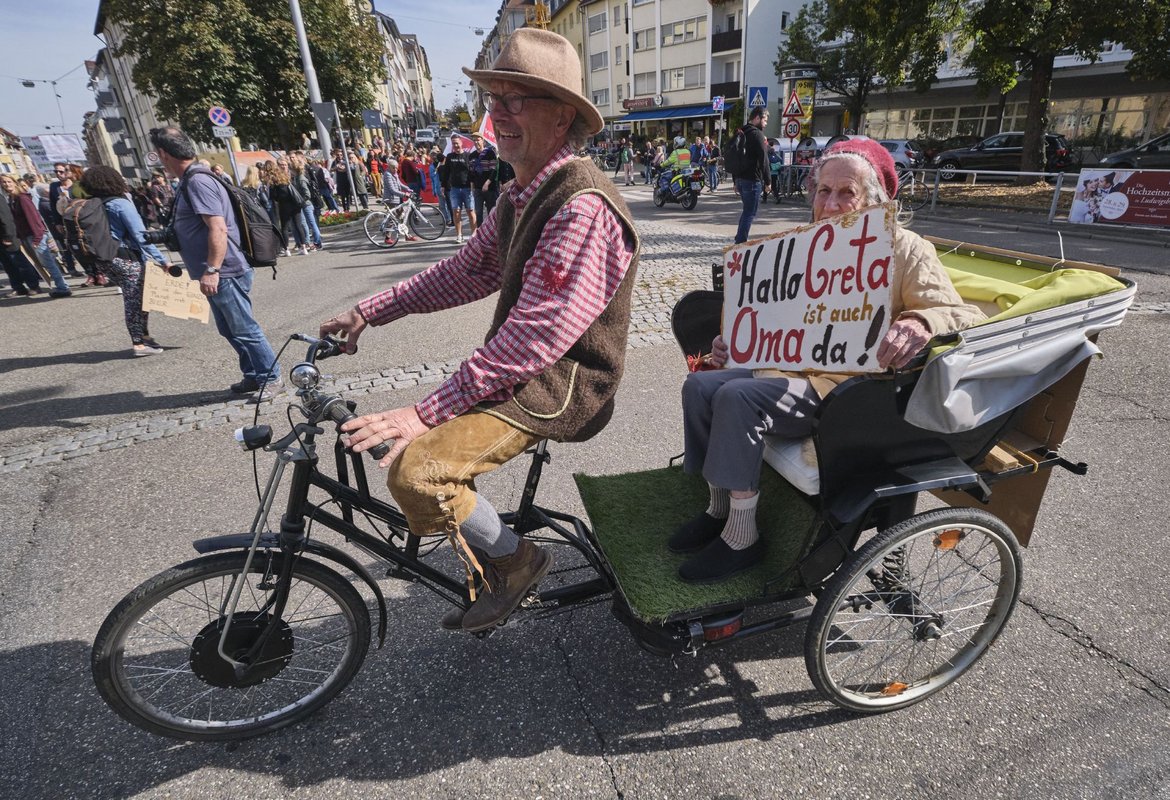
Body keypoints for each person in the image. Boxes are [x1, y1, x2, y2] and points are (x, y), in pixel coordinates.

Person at [318, 28, 639, 634]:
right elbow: (467, 270)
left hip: (563, 383)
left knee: (418, 471)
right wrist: (371, 309)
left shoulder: (581, 207)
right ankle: (492, 548)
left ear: (562, 115)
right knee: (414, 460)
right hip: (528, 368)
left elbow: (537, 339)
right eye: (494, 98)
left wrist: (427, 410)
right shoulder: (524, 192)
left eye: (517, 99)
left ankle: (518, 561)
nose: (498, 113)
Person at [674, 138, 986, 582]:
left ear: (875, 201)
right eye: (824, 191)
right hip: (787, 371)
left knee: (738, 396)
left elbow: (962, 314)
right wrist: (732, 345)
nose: (832, 203)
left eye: (847, 193)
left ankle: (742, 538)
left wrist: (919, 321)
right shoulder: (799, 246)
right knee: (701, 384)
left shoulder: (906, 248)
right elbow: (763, 317)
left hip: (848, 394)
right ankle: (718, 508)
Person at [149, 125, 282, 400]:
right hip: (220, 271)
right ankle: (254, 374)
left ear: (163, 154)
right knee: (229, 328)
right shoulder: (194, 178)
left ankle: (272, 377)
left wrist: (212, 269)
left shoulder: (198, 181)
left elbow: (218, 229)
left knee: (244, 327)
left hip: (225, 271)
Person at [78, 165, 173, 356]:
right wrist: (163, 261)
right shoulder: (121, 204)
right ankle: (139, 343)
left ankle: (144, 336)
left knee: (138, 297)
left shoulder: (93, 203)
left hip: (103, 259)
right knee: (134, 300)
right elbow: (142, 236)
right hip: (125, 257)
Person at [1, 175, 72, 297]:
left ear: (14, 182)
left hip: (35, 235)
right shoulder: (13, 199)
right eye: (4, 183)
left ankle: (63, 288)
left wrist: (38, 237)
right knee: (42, 264)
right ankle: (61, 286)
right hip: (26, 236)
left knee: (48, 263)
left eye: (9, 182)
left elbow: (34, 219)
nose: (7, 184)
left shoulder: (22, 198)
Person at [732, 106, 769, 244]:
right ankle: (740, 243)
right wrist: (768, 181)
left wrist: (735, 181)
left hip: (741, 179)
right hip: (752, 180)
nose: (765, 124)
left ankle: (739, 238)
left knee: (746, 211)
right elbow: (763, 159)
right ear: (757, 118)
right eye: (765, 120)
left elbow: (736, 158)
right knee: (749, 213)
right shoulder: (757, 134)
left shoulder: (741, 132)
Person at [0, 188, 45, 296]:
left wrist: (9, 236)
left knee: (21, 263)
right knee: (8, 265)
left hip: (8, 237)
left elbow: (6, 219)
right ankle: (18, 287)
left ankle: (34, 286)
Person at [439, 136, 476, 244]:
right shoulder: (449, 157)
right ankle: (459, 235)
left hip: (467, 188)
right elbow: (446, 172)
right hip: (454, 189)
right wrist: (443, 185)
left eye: (457, 143)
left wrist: (473, 184)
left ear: (461, 143)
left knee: (471, 211)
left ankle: (474, 234)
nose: (455, 145)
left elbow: (472, 172)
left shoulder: (468, 156)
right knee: (456, 212)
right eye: (453, 143)